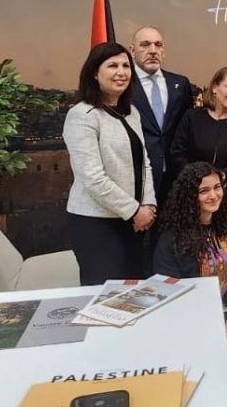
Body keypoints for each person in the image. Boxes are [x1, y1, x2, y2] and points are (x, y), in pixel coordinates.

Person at [154, 162, 227, 400]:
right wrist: (220, 323)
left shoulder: (224, 226)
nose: (213, 195)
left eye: (217, 187)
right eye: (204, 190)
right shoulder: (172, 239)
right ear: (190, 196)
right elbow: (171, 293)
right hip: (192, 316)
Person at [63, 42, 156, 285]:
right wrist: (134, 211)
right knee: (105, 296)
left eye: (126, 66)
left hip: (133, 222)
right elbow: (93, 178)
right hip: (96, 222)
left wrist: (148, 204)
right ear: (95, 72)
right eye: (112, 65)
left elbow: (144, 162)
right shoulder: (82, 115)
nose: (121, 72)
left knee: (132, 292)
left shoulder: (132, 112)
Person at [129, 26, 194, 273]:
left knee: (168, 243)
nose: (153, 50)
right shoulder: (123, 84)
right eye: (145, 45)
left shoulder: (180, 84)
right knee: (135, 247)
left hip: (173, 179)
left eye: (158, 45)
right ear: (132, 50)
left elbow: (186, 130)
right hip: (136, 179)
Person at [171, 66, 227, 226]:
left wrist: (221, 177)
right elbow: (177, 153)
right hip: (192, 196)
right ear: (215, 87)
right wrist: (198, 179)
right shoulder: (192, 117)